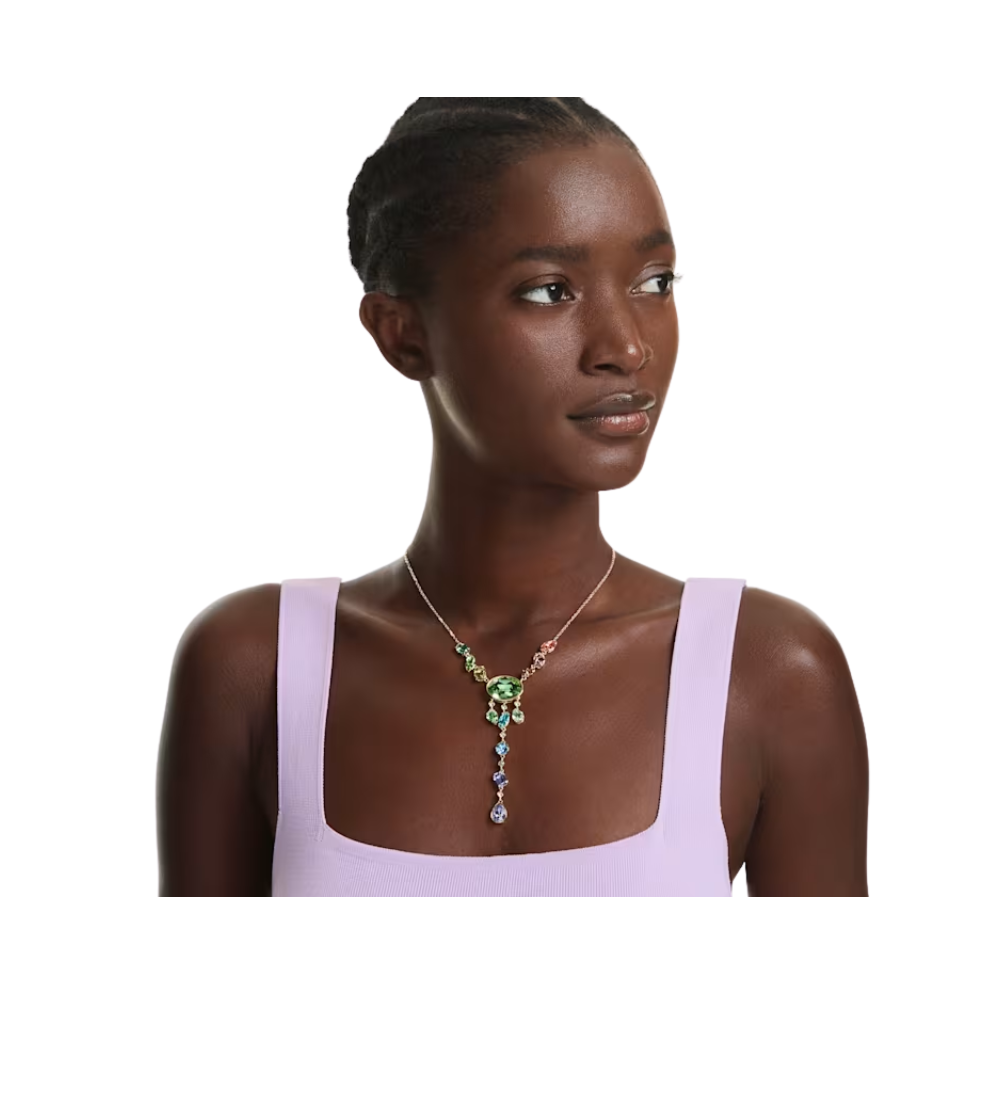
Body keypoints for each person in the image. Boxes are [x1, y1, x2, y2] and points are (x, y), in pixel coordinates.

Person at [156, 97, 869, 897]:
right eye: (550, 291)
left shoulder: (767, 670)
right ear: (402, 334)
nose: (626, 346)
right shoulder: (257, 669)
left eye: (654, 281)